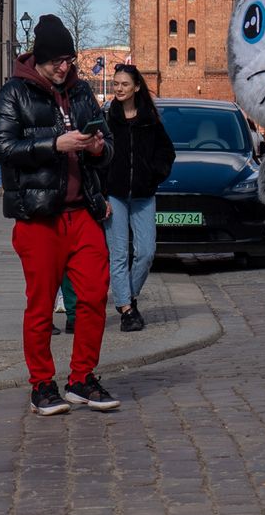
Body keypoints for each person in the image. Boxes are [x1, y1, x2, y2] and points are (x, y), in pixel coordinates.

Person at [0, 14, 119, 417]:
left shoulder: (81, 92)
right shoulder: (14, 93)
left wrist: (98, 148)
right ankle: (42, 384)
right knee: (41, 304)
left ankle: (82, 378)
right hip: (39, 215)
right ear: (39, 58)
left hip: (83, 211)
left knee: (95, 295)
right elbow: (2, 147)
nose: (64, 67)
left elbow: (109, 144)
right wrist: (54, 144)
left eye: (69, 59)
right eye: (57, 61)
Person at [102, 63, 174, 332]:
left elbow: (167, 153)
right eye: (116, 84)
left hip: (143, 195)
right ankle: (126, 311)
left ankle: (128, 297)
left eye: (124, 84)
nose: (119, 88)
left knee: (145, 252)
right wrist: (102, 191)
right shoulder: (107, 120)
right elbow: (96, 157)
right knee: (119, 254)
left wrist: (153, 175)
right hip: (115, 194)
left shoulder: (149, 120)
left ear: (136, 87)